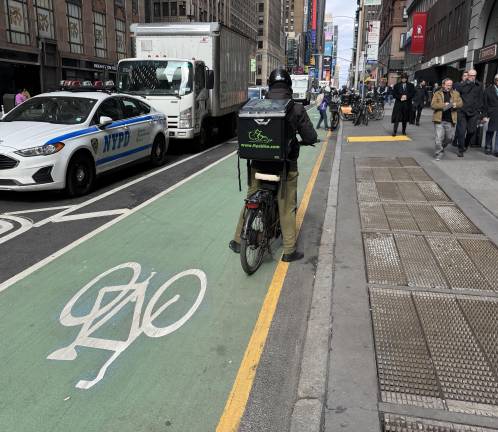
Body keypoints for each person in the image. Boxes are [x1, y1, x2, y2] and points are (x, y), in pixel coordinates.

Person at [229, 67, 318, 262]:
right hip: (285, 168)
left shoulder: (254, 105)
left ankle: (237, 241)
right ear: (289, 86)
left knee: (250, 198)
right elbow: (311, 136)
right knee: (287, 207)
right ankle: (288, 250)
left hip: (257, 166)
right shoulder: (295, 108)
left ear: (269, 86)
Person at [431, 78, 463, 160]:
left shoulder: (456, 93)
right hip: (439, 120)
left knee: (449, 138)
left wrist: (456, 104)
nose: (449, 86)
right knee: (438, 139)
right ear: (443, 85)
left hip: (450, 120)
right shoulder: (437, 93)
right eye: (447, 85)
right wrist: (443, 105)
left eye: (450, 85)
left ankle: (441, 147)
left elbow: (461, 103)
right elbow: (433, 105)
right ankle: (438, 153)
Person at [455, 69, 484, 157]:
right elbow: (457, 92)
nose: (472, 77)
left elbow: (481, 98)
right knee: (461, 131)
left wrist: (480, 112)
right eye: (470, 75)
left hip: (474, 112)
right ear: (467, 76)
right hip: (462, 112)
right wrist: (466, 83)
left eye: (473, 76)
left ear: (476, 76)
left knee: (471, 131)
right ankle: (460, 149)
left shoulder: (479, 85)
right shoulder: (462, 84)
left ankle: (466, 144)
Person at [483, 74, 498, 156]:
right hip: (491, 113)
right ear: (495, 80)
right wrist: (484, 115)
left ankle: (497, 150)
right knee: (490, 131)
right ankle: (488, 146)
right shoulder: (488, 90)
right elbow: (484, 104)